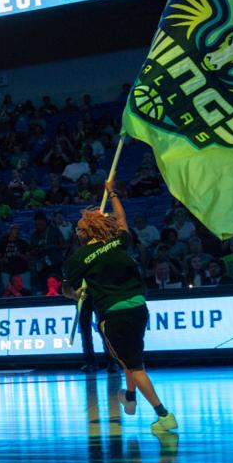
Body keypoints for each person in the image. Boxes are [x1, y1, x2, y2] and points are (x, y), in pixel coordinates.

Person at [63, 180, 177, 433]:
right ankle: (130, 397)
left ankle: (163, 415)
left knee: (135, 367)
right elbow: (123, 220)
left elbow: (67, 289)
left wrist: (77, 293)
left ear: (84, 233)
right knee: (131, 359)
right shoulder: (118, 242)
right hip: (138, 309)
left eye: (79, 228)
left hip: (114, 316)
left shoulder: (78, 258)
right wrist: (112, 191)